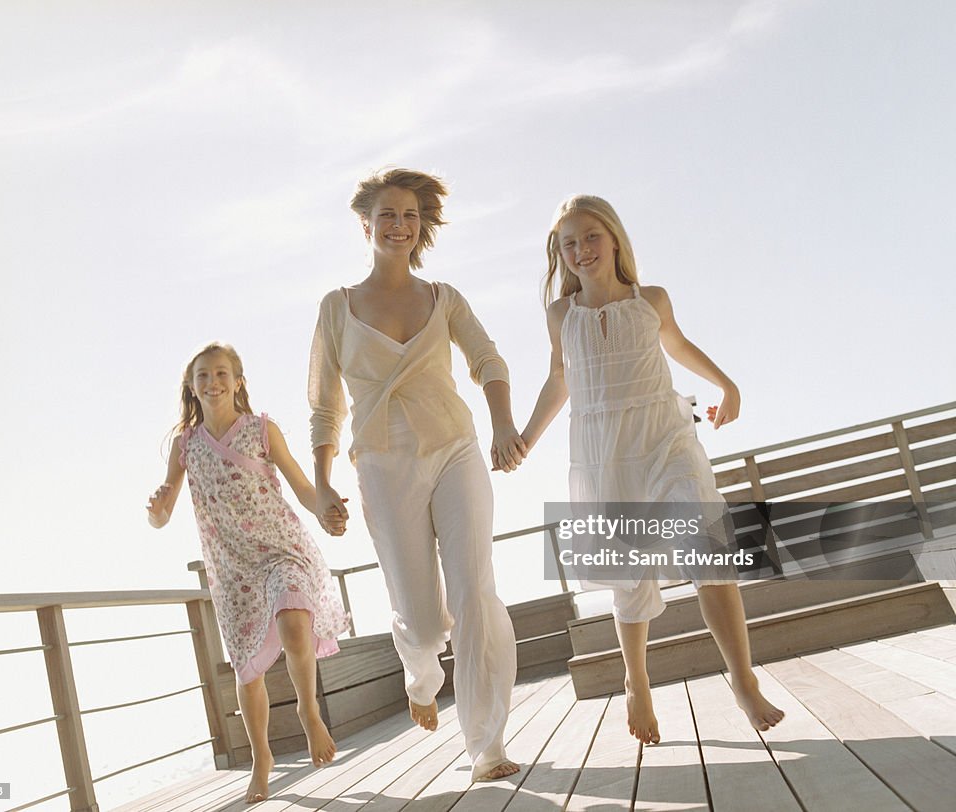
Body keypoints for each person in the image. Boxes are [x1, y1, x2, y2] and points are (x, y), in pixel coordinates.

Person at [518, 195, 784, 745]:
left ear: (614, 238)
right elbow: (559, 380)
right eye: (569, 243)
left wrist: (726, 385)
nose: (581, 250)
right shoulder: (560, 315)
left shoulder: (652, 300)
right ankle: (637, 682)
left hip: (665, 434)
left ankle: (742, 677)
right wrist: (525, 437)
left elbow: (678, 344)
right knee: (627, 577)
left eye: (591, 236)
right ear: (559, 254)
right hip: (602, 451)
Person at [308, 168, 523, 781]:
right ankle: (421, 676)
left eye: (409, 215)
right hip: (382, 462)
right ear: (366, 225)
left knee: (474, 590)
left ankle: (487, 745)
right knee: (424, 619)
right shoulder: (336, 308)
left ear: (420, 224)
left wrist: (503, 424)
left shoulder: (444, 299)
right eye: (387, 215)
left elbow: (488, 359)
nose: (399, 225)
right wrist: (323, 484)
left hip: (454, 446)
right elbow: (325, 405)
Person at [147, 342, 350, 803]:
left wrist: (327, 509)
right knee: (247, 671)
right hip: (232, 568)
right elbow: (163, 513)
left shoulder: (262, 430)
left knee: (295, 620)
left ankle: (308, 710)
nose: (212, 382)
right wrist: (157, 511)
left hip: (281, 549)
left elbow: (303, 487)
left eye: (222, 373)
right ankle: (262, 757)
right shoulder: (185, 446)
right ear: (191, 386)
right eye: (203, 375)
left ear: (238, 382)